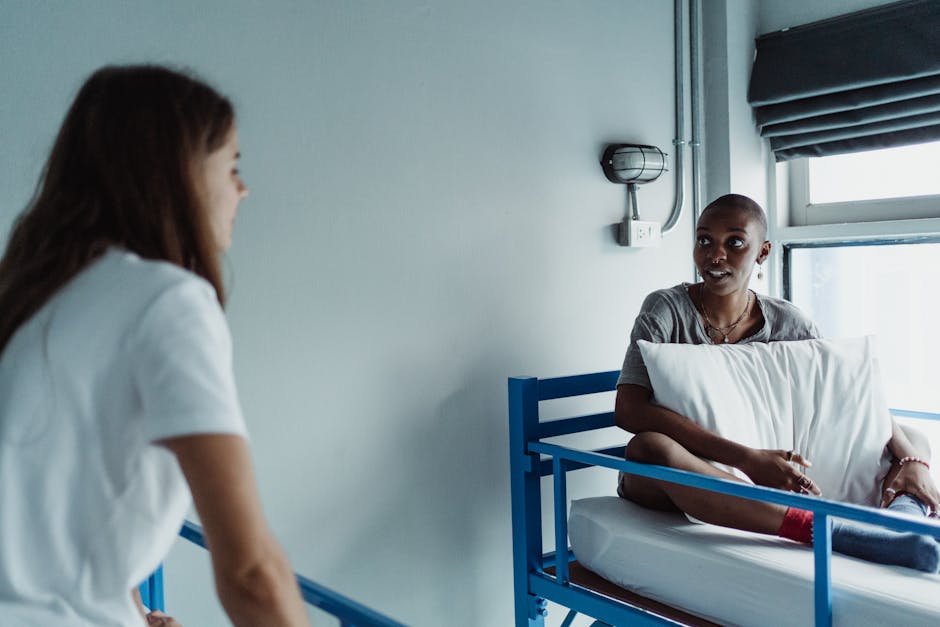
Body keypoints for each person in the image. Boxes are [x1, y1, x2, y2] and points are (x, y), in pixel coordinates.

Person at [0, 65, 310, 625]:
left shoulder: (37, 295)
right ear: (181, 173)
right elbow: (251, 573)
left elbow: (53, 506)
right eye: (232, 165)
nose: (243, 189)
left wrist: (127, 608)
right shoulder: (170, 302)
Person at [614, 193, 940, 572]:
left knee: (912, 436)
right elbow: (629, 410)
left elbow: (849, 396)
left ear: (763, 252)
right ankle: (832, 532)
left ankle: (904, 522)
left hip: (769, 474)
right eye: (705, 240)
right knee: (650, 446)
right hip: (690, 475)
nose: (715, 255)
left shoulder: (790, 324)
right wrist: (747, 459)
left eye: (734, 242)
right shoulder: (665, 310)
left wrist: (914, 460)